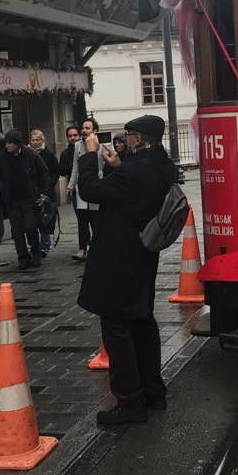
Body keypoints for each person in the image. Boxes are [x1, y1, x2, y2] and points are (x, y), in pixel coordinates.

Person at [77, 115, 177, 425]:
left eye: (130, 135)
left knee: (117, 327)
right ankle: (153, 391)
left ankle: (130, 399)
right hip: (142, 255)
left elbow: (91, 190)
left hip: (118, 256)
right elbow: (130, 187)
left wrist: (88, 157)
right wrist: (117, 165)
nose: (126, 138)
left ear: (139, 139)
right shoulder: (161, 166)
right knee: (142, 322)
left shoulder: (135, 171)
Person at [0, 129, 48, 270]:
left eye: (10, 143)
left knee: (30, 227)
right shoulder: (2, 156)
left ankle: (36, 252)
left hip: (29, 198)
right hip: (12, 200)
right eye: (6, 143)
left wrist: (42, 192)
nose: (7, 146)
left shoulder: (30, 154)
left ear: (18, 144)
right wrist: (2, 189)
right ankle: (23, 257)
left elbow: (43, 173)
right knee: (17, 231)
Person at [68, 117, 103, 261]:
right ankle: (82, 248)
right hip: (82, 185)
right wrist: (70, 185)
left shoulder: (100, 144)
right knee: (82, 219)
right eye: (83, 127)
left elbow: (103, 166)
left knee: (96, 219)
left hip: (96, 184)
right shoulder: (77, 146)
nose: (84, 130)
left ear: (95, 131)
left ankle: (98, 248)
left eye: (87, 128)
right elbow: (75, 167)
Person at [29, 129, 59, 254]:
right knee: (32, 220)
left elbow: (55, 172)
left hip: (45, 191)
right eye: (33, 140)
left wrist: (48, 186)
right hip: (31, 191)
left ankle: (45, 244)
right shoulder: (27, 153)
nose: (35, 142)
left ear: (42, 140)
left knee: (44, 218)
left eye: (38, 140)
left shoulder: (49, 154)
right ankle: (35, 244)